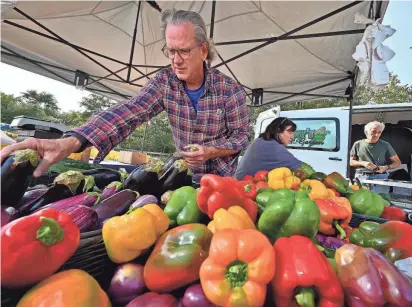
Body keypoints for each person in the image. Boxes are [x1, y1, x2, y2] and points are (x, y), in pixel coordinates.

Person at [0, 9, 250, 184]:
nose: (175, 60)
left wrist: (213, 151)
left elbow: (241, 137)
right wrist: (73, 141)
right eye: (170, 50)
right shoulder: (165, 82)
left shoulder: (231, 91)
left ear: (204, 49)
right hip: (180, 178)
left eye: (183, 51)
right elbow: (130, 111)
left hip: (221, 182)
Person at [235, 117, 303, 180]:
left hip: (239, 183)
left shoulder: (260, 141)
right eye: (289, 132)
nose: (292, 137)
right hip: (245, 186)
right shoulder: (273, 147)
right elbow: (301, 168)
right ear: (279, 131)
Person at [350, 121, 401, 193]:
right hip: (362, 176)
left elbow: (397, 162)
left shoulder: (385, 145)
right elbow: (351, 162)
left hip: (381, 177)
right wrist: (363, 163)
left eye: (379, 132)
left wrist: (386, 167)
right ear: (366, 132)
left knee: (382, 201)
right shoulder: (357, 144)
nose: (376, 134)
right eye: (373, 132)